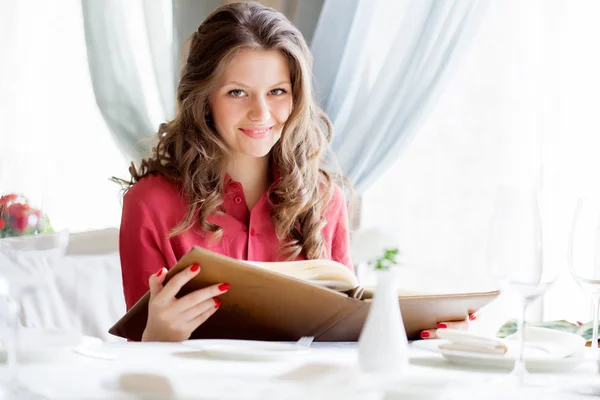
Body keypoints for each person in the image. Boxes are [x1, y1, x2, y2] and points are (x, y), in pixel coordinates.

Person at [116, 1, 471, 342]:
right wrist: (157, 335)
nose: (261, 113)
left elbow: (347, 331)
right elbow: (138, 355)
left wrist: (428, 331)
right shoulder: (149, 205)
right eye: (237, 92)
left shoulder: (325, 199)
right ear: (204, 98)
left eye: (277, 92)